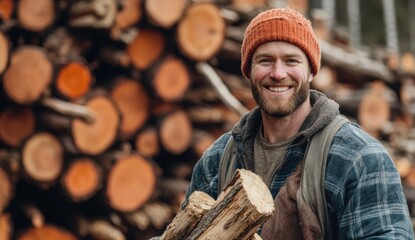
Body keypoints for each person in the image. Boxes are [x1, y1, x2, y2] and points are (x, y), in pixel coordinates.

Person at [152, 7, 414, 240]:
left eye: (291, 61)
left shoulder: (359, 158)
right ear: (248, 71)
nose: (278, 74)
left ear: (311, 71)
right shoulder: (218, 159)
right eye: (265, 60)